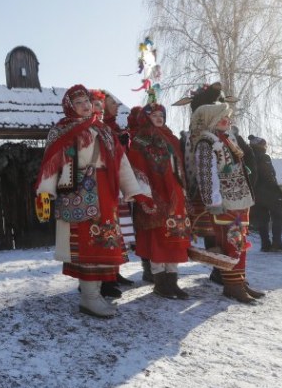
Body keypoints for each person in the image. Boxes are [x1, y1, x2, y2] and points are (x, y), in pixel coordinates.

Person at [36, 84, 154, 318]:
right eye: (78, 103)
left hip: (105, 194)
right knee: (86, 244)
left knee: (104, 242)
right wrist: (44, 191)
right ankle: (89, 297)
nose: (84, 106)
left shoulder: (104, 130)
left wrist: (135, 190)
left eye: (86, 102)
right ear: (69, 106)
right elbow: (51, 163)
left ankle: (96, 294)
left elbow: (121, 163)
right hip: (78, 194)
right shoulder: (61, 131)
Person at [189, 102, 263, 303]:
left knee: (240, 242)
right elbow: (206, 175)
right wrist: (212, 201)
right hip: (224, 202)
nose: (227, 120)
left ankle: (239, 280)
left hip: (239, 199)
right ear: (210, 119)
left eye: (228, 117)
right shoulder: (206, 143)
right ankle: (231, 285)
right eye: (222, 116)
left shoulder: (228, 139)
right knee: (230, 242)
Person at [126, 103, 192, 299]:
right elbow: (137, 168)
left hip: (175, 195)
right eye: (153, 115)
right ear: (145, 118)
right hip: (155, 195)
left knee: (176, 238)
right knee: (158, 238)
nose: (158, 117)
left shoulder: (170, 137)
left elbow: (180, 167)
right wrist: (145, 195)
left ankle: (172, 281)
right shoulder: (141, 139)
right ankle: (160, 281)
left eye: (160, 114)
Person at [92, 89, 135, 294]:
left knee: (115, 230)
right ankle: (102, 277)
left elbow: (121, 159)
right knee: (104, 228)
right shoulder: (99, 129)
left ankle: (113, 271)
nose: (117, 106)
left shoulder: (113, 129)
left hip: (114, 186)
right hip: (98, 187)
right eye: (112, 102)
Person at [248, 135, 282, 253]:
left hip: (255, 193)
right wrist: (276, 190)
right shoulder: (264, 157)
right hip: (269, 192)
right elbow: (269, 175)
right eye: (265, 144)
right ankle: (277, 242)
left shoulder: (246, 157)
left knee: (262, 219)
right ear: (261, 145)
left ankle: (265, 244)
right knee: (278, 216)